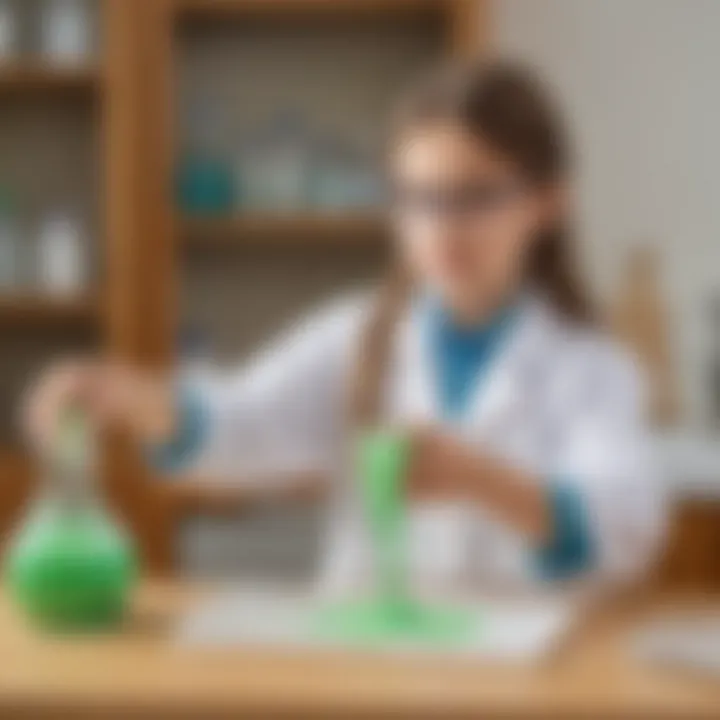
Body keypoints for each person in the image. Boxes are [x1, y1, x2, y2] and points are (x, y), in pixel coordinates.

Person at [23, 60, 665, 597]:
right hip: (365, 671)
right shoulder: (357, 337)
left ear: (548, 202)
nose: (441, 228)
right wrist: (129, 398)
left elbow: (624, 527)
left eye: (473, 197)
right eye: (418, 199)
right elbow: (245, 421)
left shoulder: (590, 368)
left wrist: (480, 478)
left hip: (515, 678)